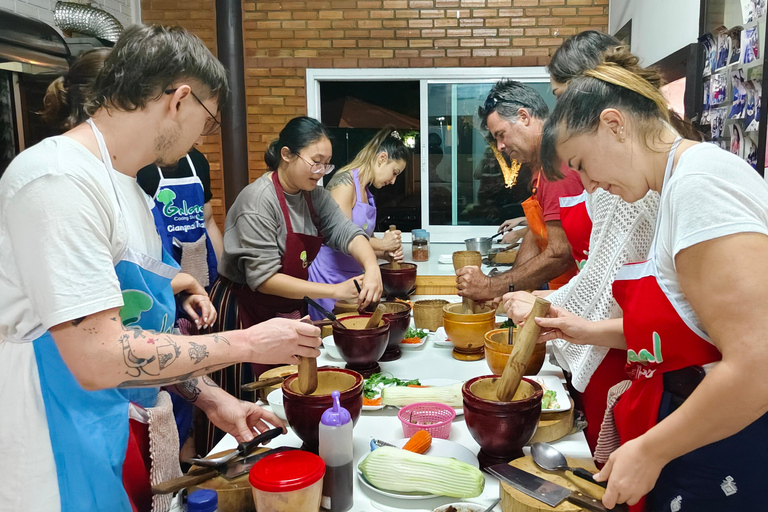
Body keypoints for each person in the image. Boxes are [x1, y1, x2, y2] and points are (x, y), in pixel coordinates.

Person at [0, 25, 321, 512]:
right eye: (209, 120)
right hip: (49, 438)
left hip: (105, 422)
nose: (202, 135)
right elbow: (99, 354)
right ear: (180, 100)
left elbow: (144, 330)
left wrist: (212, 398)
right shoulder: (58, 180)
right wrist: (249, 343)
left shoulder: (130, 188)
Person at [535, 54, 768, 511]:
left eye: (582, 163)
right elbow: (693, 330)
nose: (590, 185)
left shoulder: (700, 185)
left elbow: (758, 364)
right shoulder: (676, 185)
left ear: (614, 124)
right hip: (698, 434)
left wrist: (652, 449)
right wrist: (586, 329)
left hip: (723, 447)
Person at [207, 116, 383, 447]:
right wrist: (333, 291)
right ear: (287, 154)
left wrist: (372, 265)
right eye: (315, 162)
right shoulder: (258, 202)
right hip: (244, 309)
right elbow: (263, 278)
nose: (321, 171)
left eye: (327, 165)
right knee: (242, 408)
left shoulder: (314, 196)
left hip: (287, 308)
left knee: (288, 397)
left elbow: (345, 231)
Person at [458, 79, 584, 302]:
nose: (500, 146)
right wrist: (506, 288)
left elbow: (560, 253)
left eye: (501, 134)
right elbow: (536, 234)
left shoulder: (557, 165)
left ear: (524, 117)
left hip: (576, 296)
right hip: (557, 291)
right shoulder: (539, 166)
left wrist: (493, 286)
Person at [307, 127, 408, 319]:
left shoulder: (367, 193)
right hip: (329, 279)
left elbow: (364, 240)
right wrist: (383, 244)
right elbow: (344, 236)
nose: (394, 181)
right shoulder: (345, 183)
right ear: (382, 158)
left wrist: (384, 253)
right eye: (394, 172)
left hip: (353, 278)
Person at [138, 148, 223, 292]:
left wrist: (222, 278)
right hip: (160, 268)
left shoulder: (197, 160)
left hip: (199, 263)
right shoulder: (141, 166)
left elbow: (208, 221)